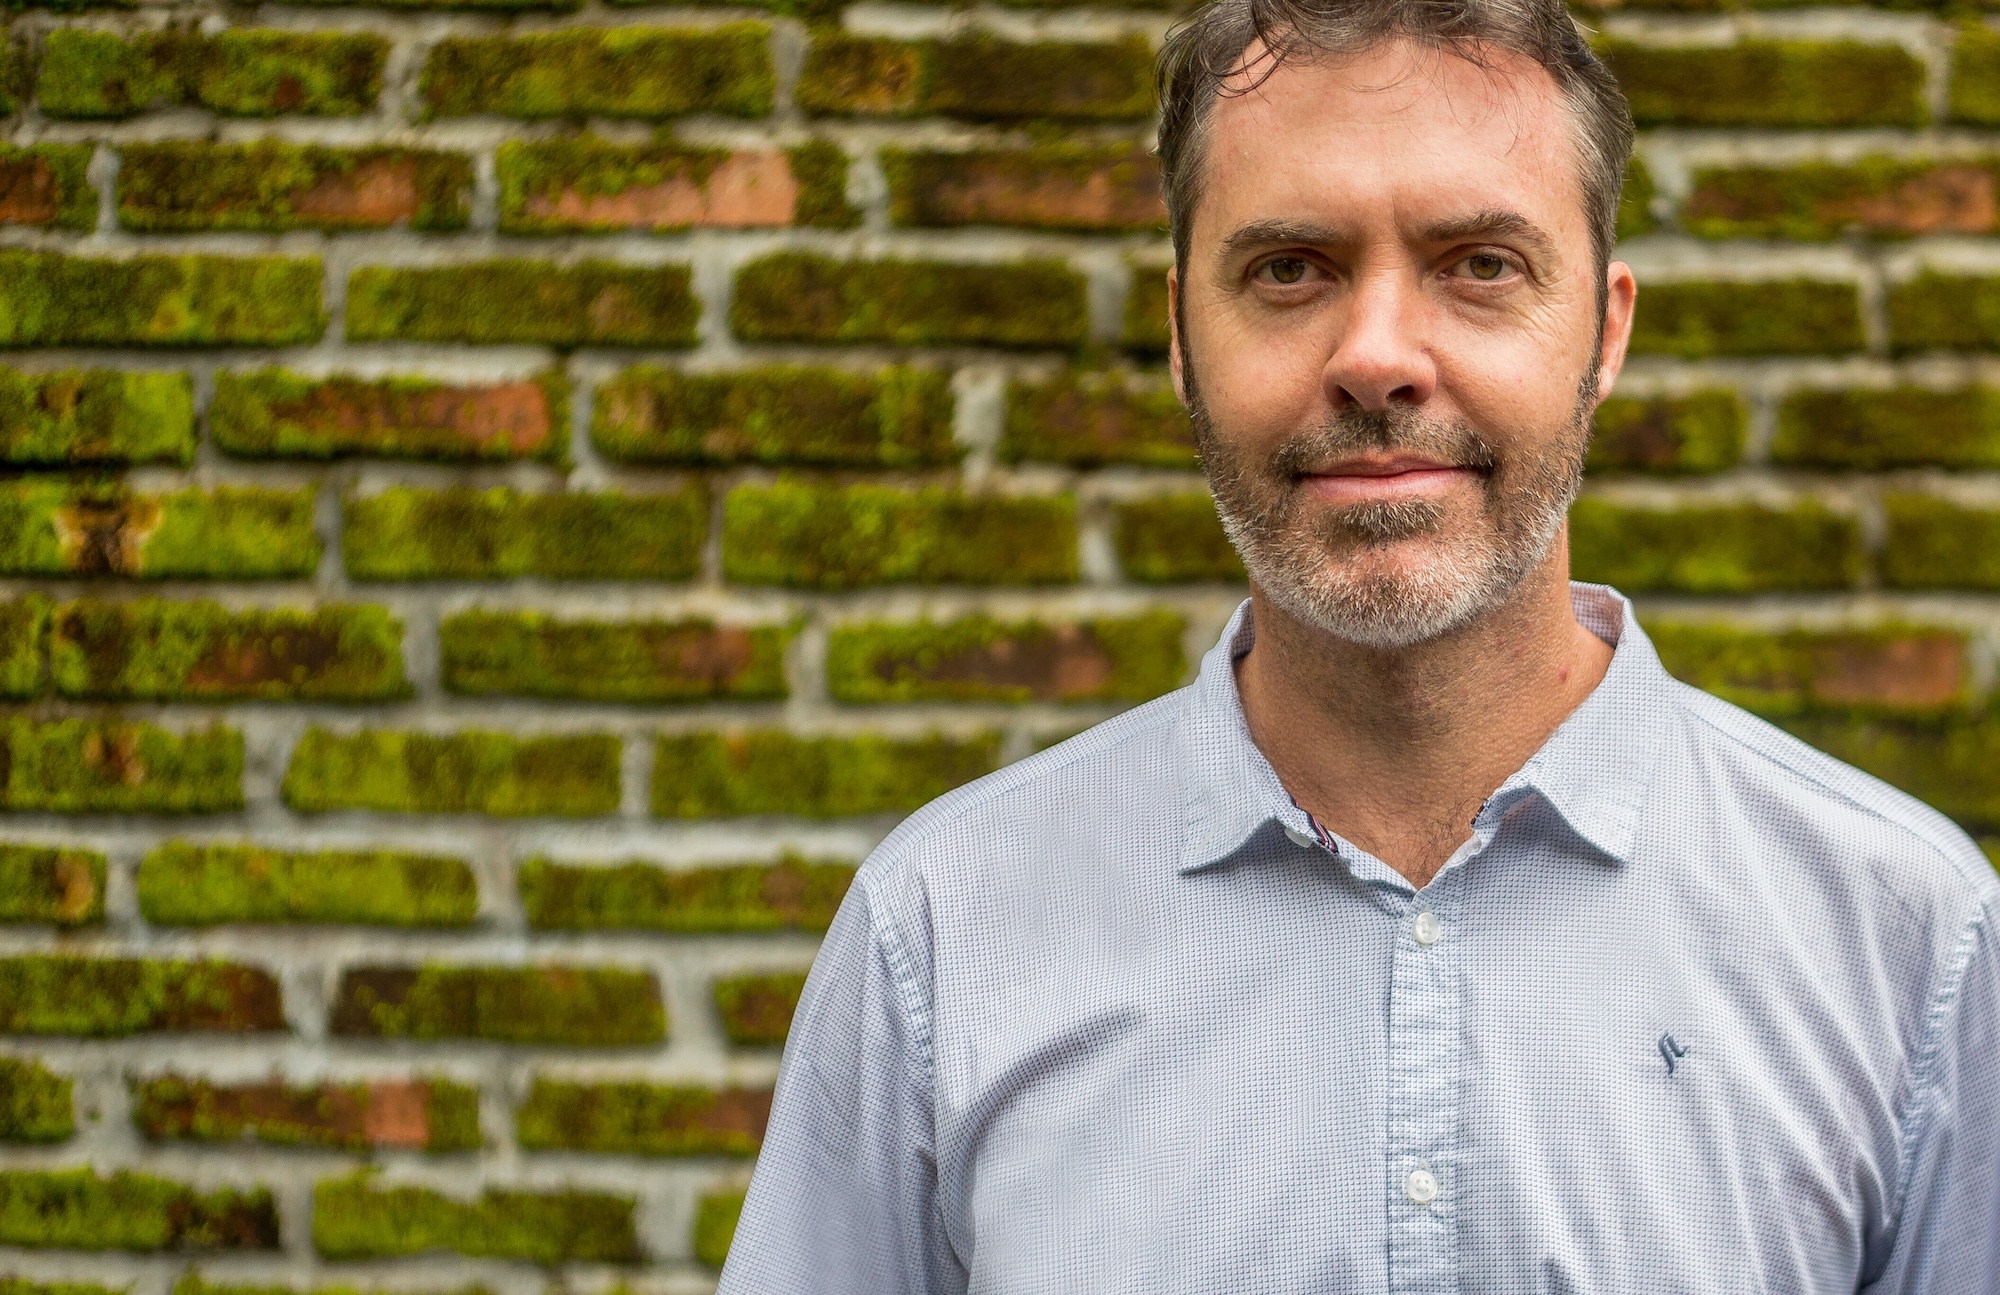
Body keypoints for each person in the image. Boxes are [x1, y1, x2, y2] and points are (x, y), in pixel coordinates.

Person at [718, 0, 2000, 1286]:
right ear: (1180, 334)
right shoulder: (946, 931)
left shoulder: (1901, 938)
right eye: (1289, 269)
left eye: (1478, 263)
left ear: (1604, 332)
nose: (1376, 357)